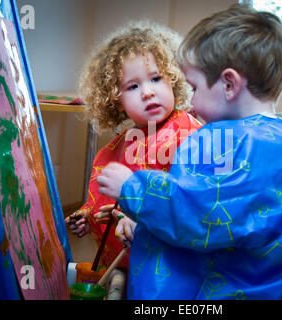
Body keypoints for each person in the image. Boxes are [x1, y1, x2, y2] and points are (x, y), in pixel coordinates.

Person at [97, 3, 282, 300]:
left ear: (229, 84)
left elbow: (200, 214)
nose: (190, 101)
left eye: (194, 87)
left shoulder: (219, 142)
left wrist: (132, 189)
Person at [65, 20, 202, 274]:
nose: (148, 92)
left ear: (173, 79)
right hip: (124, 266)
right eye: (133, 86)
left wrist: (141, 215)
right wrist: (87, 215)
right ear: (116, 101)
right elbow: (105, 197)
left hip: (167, 270)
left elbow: (191, 202)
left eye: (156, 79)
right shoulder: (115, 148)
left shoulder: (190, 134)